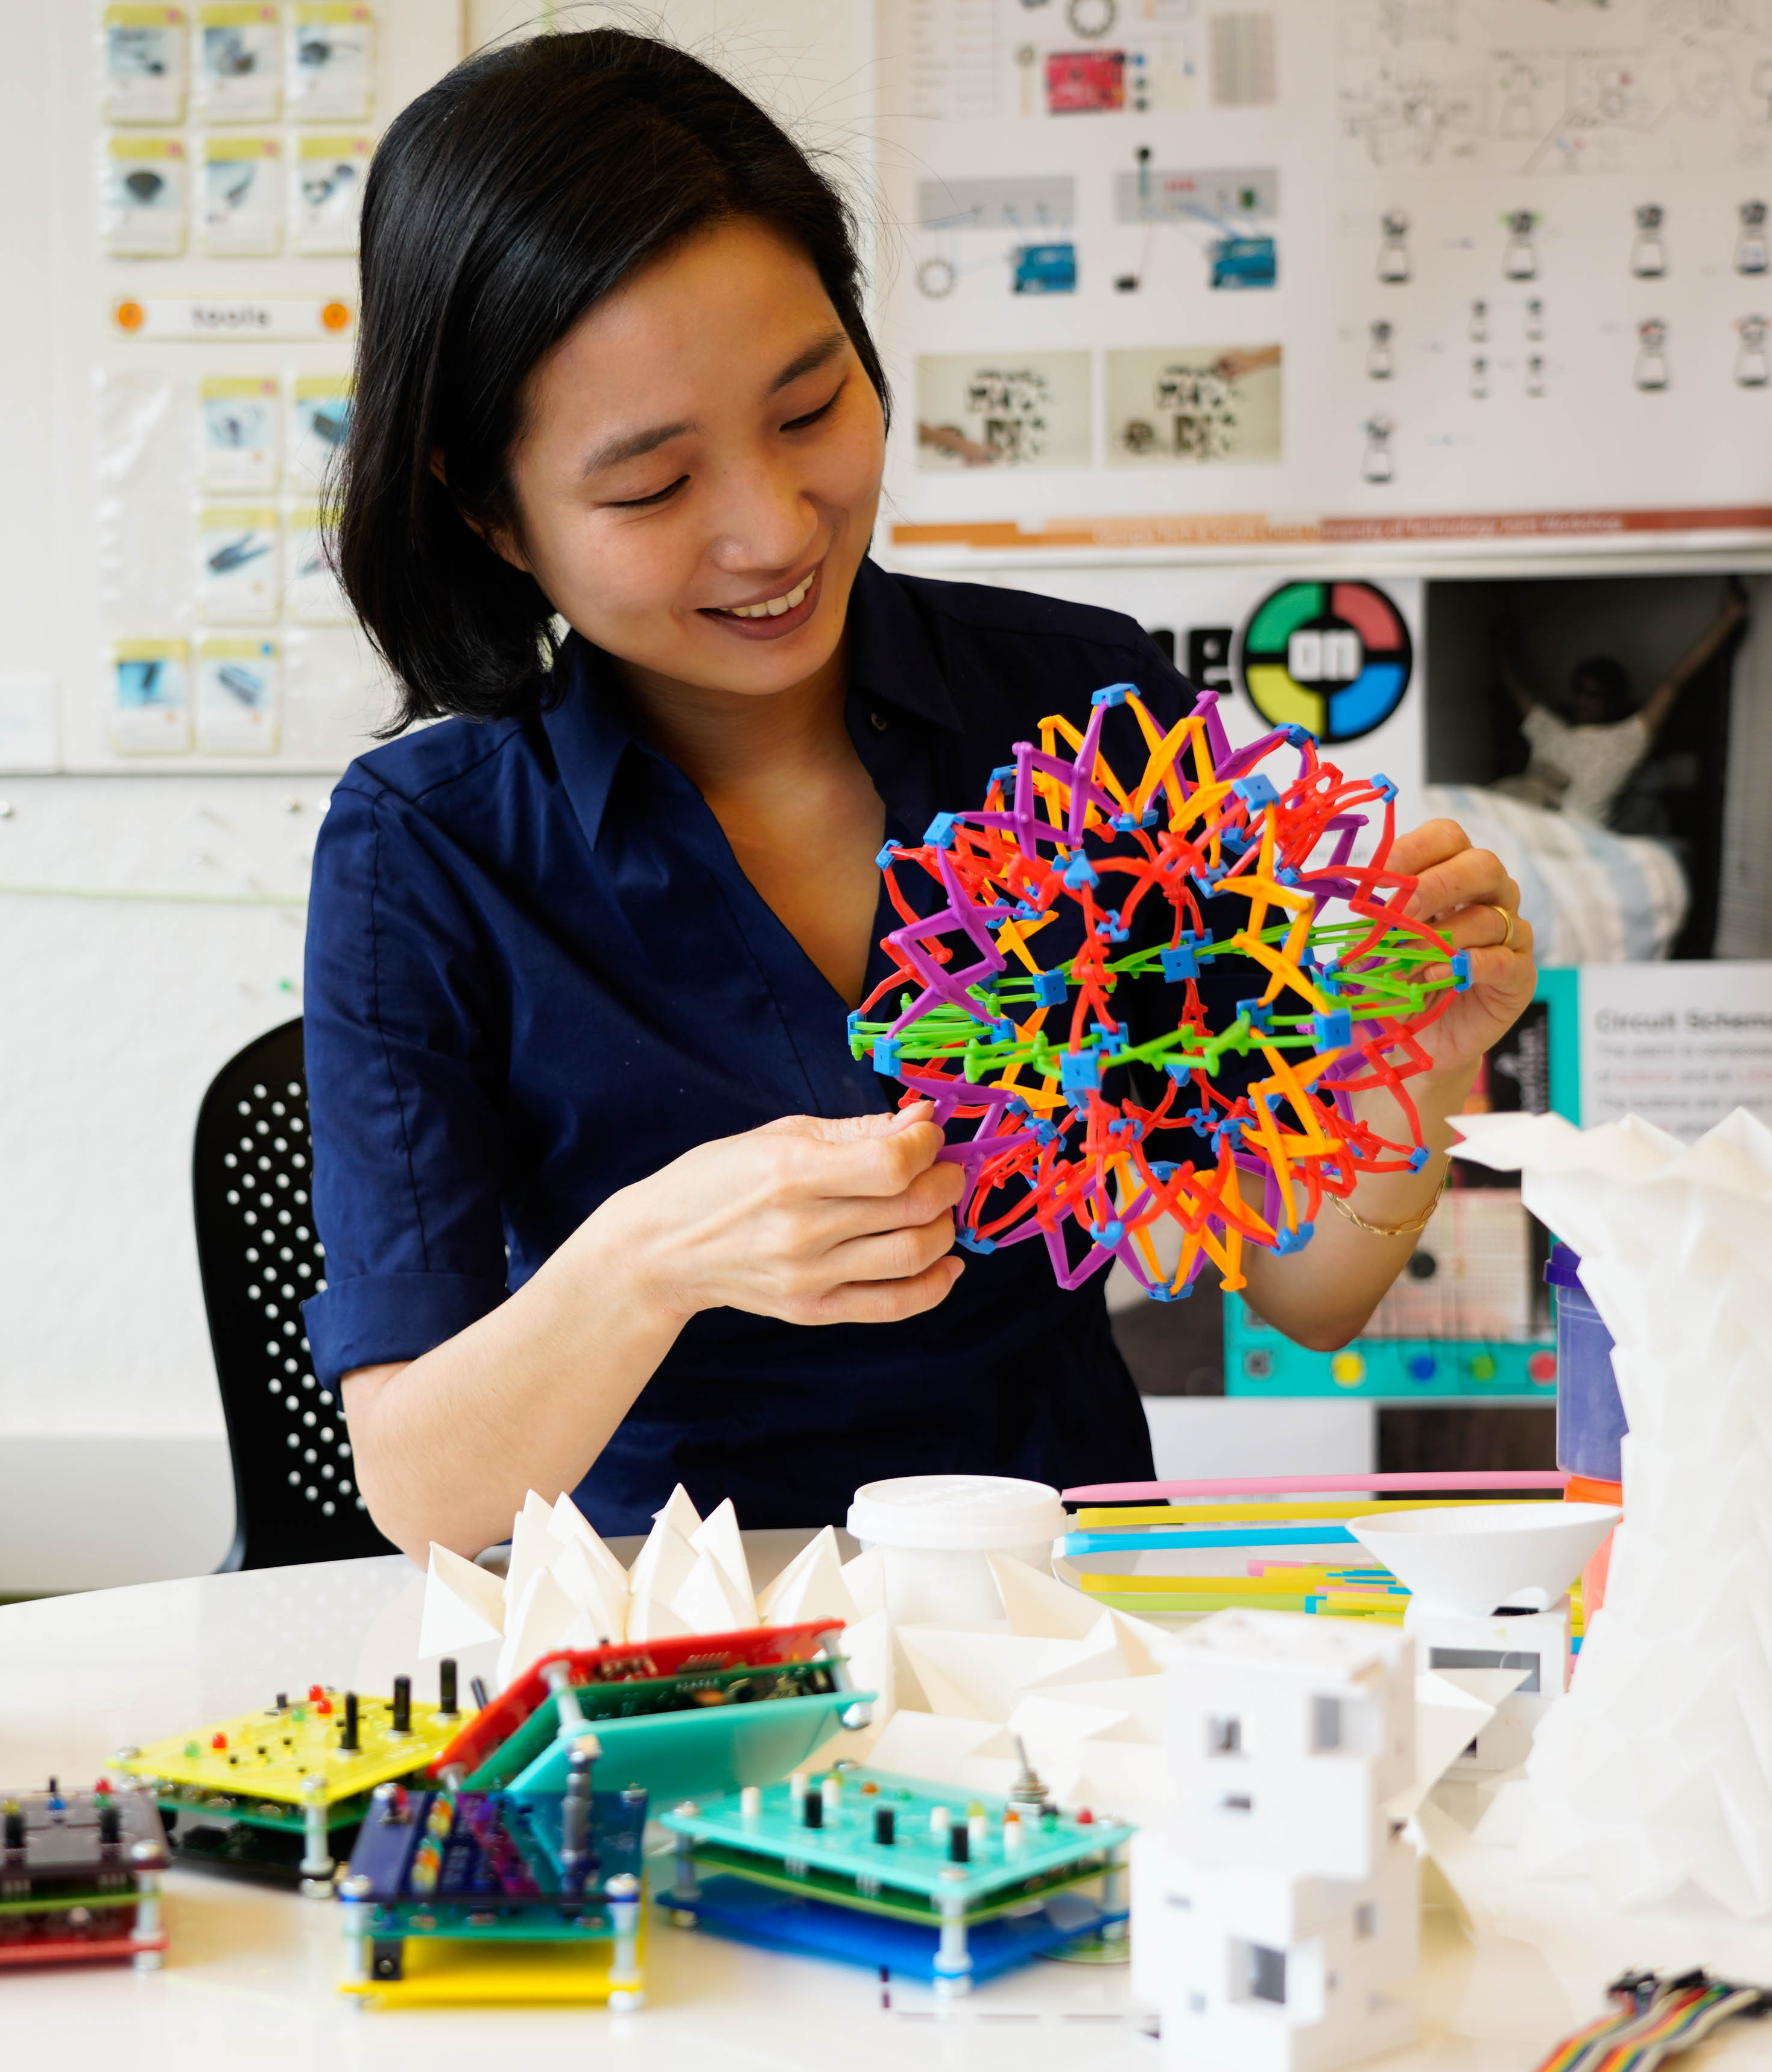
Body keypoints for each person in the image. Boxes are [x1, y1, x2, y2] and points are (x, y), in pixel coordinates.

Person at [302, 30, 1537, 1557]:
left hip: (1070, 1597)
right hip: (673, 1629)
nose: (770, 528)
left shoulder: (1084, 717)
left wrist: (1407, 1065)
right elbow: (421, 1489)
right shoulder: (424, 850)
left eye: (810, 407)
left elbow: (1308, 1288)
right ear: (487, 509)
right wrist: (653, 1255)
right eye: (652, 487)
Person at [1495, 578, 1751, 827]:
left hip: (1576, 833)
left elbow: (1673, 685)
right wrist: (1497, 644)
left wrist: (1729, 618)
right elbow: (1518, 691)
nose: (1584, 699)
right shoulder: (1549, 731)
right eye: (1580, 691)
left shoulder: (1624, 740)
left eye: (1595, 694)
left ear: (1613, 702)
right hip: (1527, 820)